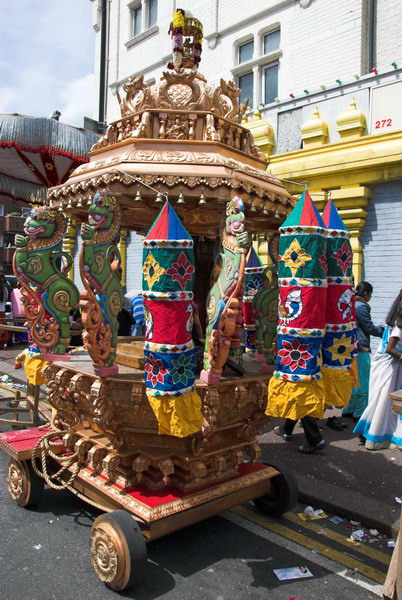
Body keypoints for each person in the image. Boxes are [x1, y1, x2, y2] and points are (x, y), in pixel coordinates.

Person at [353, 290, 402, 450]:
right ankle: (374, 435)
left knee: (383, 402)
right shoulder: (398, 326)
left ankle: (369, 432)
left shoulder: (393, 321)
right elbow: (390, 348)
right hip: (389, 367)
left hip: (387, 366)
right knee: (383, 402)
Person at [342, 281, 383, 421]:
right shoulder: (362, 307)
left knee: (353, 381)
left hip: (350, 347)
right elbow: (369, 328)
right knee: (364, 382)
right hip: (361, 348)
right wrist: (385, 332)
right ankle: (360, 413)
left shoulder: (351, 303)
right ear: (366, 293)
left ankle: (348, 409)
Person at [0, 272, 11, 350]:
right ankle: (2, 344)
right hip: (2, 310)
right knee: (3, 329)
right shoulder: (5, 289)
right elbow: (6, 299)